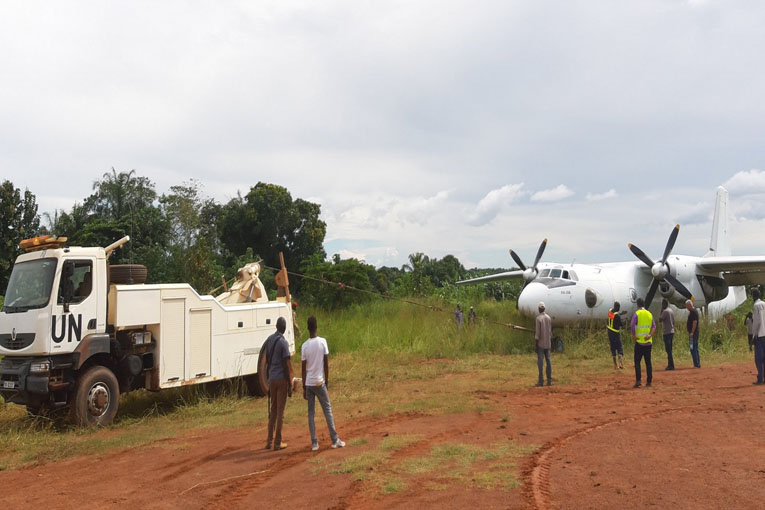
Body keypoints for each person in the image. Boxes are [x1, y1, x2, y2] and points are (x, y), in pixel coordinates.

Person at [301, 316, 345, 451]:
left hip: (309, 383)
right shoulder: (322, 342)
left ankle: (314, 443)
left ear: (308, 328)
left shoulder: (304, 346)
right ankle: (334, 439)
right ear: (316, 327)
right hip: (320, 382)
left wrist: (303, 387)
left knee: (311, 413)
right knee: (327, 410)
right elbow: (326, 364)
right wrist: (327, 380)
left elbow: (303, 369)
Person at [264, 317, 293, 451]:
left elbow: (267, 359)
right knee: (280, 412)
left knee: (273, 410)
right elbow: (287, 364)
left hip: (272, 378)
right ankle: (278, 442)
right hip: (281, 379)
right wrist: (290, 383)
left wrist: (268, 378)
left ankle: (269, 441)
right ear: (284, 328)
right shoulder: (283, 343)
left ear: (276, 326)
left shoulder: (269, 340)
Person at [631, 297, 656, 388]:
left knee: (637, 362)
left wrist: (634, 335)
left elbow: (632, 325)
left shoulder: (637, 314)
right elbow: (654, 326)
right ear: (644, 304)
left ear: (637, 304)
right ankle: (649, 382)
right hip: (648, 342)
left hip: (639, 342)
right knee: (648, 362)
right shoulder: (649, 314)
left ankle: (638, 381)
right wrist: (650, 335)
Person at [535, 302, 553, 387]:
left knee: (540, 362)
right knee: (548, 361)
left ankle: (541, 381)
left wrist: (536, 344)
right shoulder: (548, 318)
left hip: (541, 344)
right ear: (544, 309)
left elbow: (538, 334)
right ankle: (549, 380)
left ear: (539, 309)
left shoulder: (538, 319)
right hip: (548, 343)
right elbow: (550, 332)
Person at [751, 289, 765, 384]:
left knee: (759, 358)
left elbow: (757, 322)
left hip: (759, 335)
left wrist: (753, 335)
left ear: (753, 296)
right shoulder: (764, 304)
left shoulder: (756, 306)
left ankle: (760, 378)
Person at [607, 301, 624, 369]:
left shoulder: (610, 311)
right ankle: (621, 363)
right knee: (619, 347)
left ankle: (615, 365)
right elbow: (621, 324)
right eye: (619, 307)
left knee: (613, 348)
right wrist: (624, 321)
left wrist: (621, 314)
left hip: (609, 332)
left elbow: (613, 316)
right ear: (618, 307)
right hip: (616, 333)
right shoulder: (617, 316)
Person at [659, 298, 675, 370]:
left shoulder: (665, 311)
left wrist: (661, 310)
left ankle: (671, 365)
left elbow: (660, 319)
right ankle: (671, 364)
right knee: (670, 349)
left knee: (668, 350)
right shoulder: (671, 310)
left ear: (664, 304)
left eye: (662, 304)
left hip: (667, 332)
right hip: (671, 331)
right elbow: (674, 321)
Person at [686, 299, 701, 368]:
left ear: (689, 305)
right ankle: (697, 363)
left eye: (687, 306)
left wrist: (692, 332)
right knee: (695, 347)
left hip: (693, 334)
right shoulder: (693, 311)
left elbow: (695, 322)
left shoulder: (693, 312)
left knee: (692, 348)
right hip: (693, 333)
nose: (686, 308)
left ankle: (696, 364)